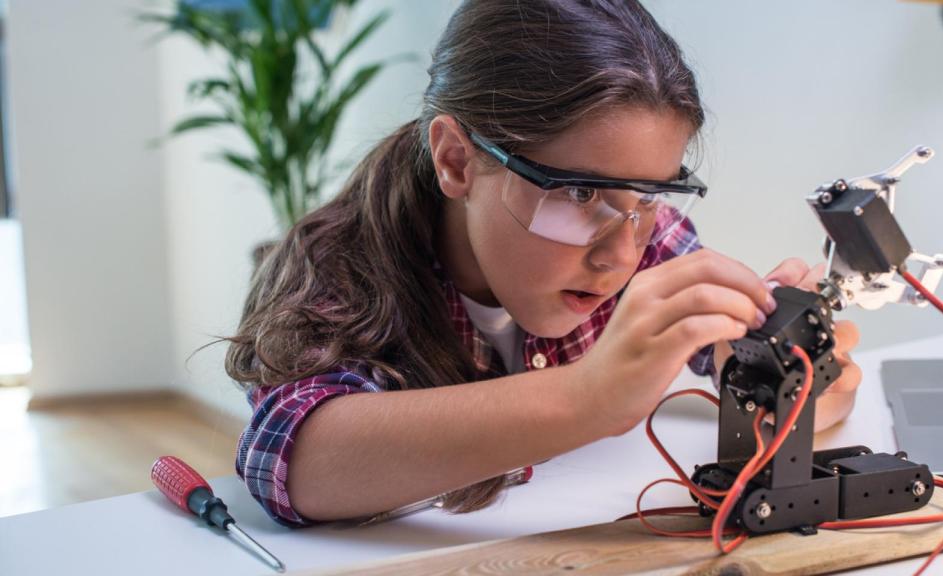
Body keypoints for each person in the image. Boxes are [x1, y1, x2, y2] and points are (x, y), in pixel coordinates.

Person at [225, 0, 862, 527]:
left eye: (649, 196)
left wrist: (777, 375)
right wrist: (588, 398)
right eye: (579, 194)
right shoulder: (338, 264)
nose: (620, 254)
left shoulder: (643, 234)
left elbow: (755, 372)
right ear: (455, 160)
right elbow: (287, 462)